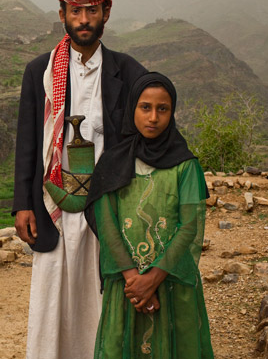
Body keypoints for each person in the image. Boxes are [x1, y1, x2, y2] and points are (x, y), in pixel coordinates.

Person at [13, 0, 148, 358]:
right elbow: (28, 141)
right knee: (52, 296)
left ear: (106, 12)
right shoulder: (39, 71)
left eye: (92, 10)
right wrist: (23, 203)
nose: (84, 19)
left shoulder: (128, 72)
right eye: (76, 11)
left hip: (107, 205)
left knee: (99, 298)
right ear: (62, 14)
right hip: (53, 201)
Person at [85, 72, 214, 358]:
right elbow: (107, 225)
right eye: (145, 107)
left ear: (172, 112)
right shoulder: (112, 163)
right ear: (132, 109)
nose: (153, 117)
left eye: (162, 109)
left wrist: (153, 278)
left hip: (170, 282)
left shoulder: (185, 166)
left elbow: (189, 226)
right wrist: (136, 281)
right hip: (127, 286)